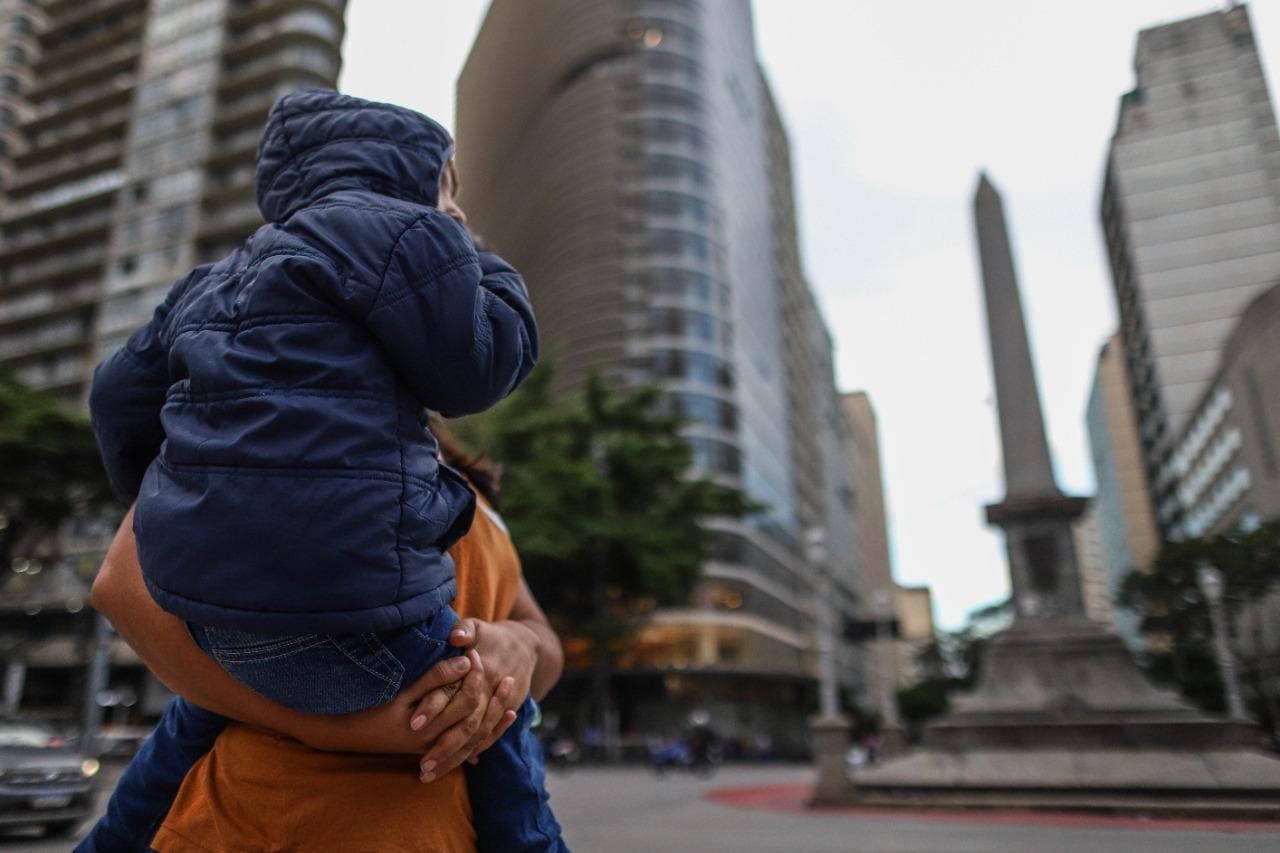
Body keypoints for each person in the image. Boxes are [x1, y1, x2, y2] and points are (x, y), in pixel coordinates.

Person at [84, 87, 552, 849]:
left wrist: (521, 648)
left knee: (190, 719)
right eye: (449, 192)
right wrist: (480, 263)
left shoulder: (217, 300)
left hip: (230, 628)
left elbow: (114, 390)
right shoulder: (411, 244)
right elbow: (481, 367)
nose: (453, 215)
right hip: (260, 810)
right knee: (491, 720)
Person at [82, 430, 566, 851]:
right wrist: (317, 723)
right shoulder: (263, 413)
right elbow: (120, 588)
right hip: (255, 823)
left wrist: (519, 645)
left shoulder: (467, 484)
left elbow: (545, 645)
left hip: (446, 830)